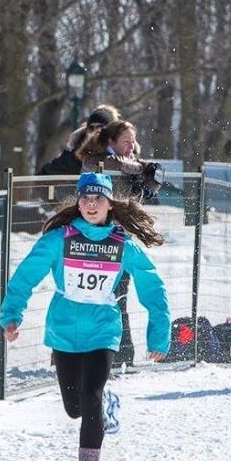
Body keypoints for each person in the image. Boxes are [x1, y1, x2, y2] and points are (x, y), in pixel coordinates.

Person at [0, 172, 171, 461]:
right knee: (74, 407)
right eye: (85, 199)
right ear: (78, 202)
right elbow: (25, 276)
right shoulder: (59, 240)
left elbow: (153, 288)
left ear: (110, 204)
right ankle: (105, 405)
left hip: (103, 331)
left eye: (98, 199)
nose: (91, 204)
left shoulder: (123, 245)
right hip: (64, 331)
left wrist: (159, 332)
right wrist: (12, 314)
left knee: (90, 396)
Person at [76, 119, 164, 367]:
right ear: (110, 141)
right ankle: (82, 354)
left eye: (133, 141)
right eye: (125, 141)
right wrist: (141, 168)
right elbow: (109, 165)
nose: (131, 146)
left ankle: (122, 356)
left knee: (118, 299)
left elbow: (144, 188)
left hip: (121, 241)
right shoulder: (96, 159)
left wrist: (150, 178)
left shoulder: (134, 162)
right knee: (89, 299)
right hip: (93, 241)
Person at [36, 104, 122, 176]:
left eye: (101, 127)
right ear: (86, 131)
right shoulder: (73, 157)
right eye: (91, 128)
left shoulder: (124, 151)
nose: (95, 132)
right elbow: (43, 176)